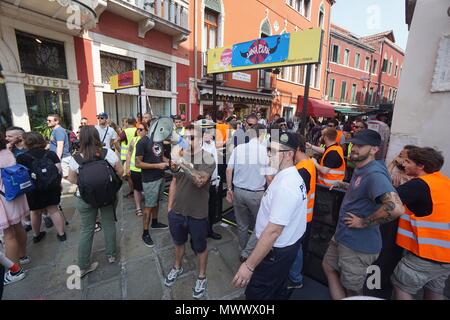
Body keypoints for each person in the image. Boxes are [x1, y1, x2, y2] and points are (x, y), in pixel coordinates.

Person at [322, 129, 404, 300]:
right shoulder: (363, 167)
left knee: (353, 290)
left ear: (374, 149)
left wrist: (364, 222)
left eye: (360, 146)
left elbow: (395, 207)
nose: (354, 149)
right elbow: (364, 191)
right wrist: (344, 185)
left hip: (358, 245)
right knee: (328, 267)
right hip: (343, 237)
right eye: (354, 144)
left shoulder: (374, 173)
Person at [232, 131, 307, 300]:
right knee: (276, 287)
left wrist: (249, 266)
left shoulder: (286, 186)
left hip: (275, 252)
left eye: (272, 151)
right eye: (268, 150)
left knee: (257, 294)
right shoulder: (290, 176)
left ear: (288, 155)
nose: (267, 155)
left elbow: (273, 231)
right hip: (285, 249)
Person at [164, 125, 216, 299]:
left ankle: (202, 276)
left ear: (201, 139)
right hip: (177, 211)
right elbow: (174, 182)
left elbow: (200, 181)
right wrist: (170, 207)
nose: (187, 141)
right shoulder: (180, 155)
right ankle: (177, 266)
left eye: (192, 138)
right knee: (178, 242)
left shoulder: (208, 158)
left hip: (197, 213)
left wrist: (183, 164)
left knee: (200, 247)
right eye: (185, 137)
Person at [392, 147, 450, 300]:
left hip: (424, 255)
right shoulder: (444, 182)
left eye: (408, 161)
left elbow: (388, 198)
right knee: (435, 291)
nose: (403, 164)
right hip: (445, 255)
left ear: (421, 166)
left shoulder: (418, 185)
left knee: (401, 287)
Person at [67, 126, 123, 277]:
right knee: (109, 224)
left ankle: (83, 266)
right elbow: (121, 172)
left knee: (87, 229)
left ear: (81, 139)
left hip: (85, 198)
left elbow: (72, 179)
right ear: (97, 136)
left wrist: (87, 184)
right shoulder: (107, 153)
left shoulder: (76, 158)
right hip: (107, 196)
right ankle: (111, 255)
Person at [226, 124, 269, 262]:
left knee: (242, 224)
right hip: (256, 194)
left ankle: (243, 248)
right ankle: (247, 252)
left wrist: (229, 189)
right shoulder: (265, 152)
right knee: (261, 224)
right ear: (261, 135)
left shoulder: (238, 149)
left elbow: (228, 170)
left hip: (238, 191)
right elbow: (269, 177)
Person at [17, 132, 66, 243]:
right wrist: (58, 184)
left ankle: (36, 235)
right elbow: (59, 171)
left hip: (33, 190)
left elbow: (22, 177)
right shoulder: (51, 154)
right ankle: (61, 234)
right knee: (54, 210)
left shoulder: (22, 158)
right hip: (51, 187)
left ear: (27, 142)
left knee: (35, 212)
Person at [287, 134, 316, 290]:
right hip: (305, 216)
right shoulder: (308, 163)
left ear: (296, 149)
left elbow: (296, 198)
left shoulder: (302, 169)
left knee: (295, 248)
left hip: (301, 218)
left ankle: (295, 278)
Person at [135, 123, 169, 248]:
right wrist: (157, 166)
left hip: (160, 177)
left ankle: (155, 222)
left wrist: (168, 161)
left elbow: (161, 156)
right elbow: (138, 163)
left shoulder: (158, 140)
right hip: (149, 180)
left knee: (157, 201)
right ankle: (145, 233)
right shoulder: (142, 142)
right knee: (149, 206)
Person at [0, 133, 30, 273]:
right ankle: (22, 255)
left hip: (4, 199)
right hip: (14, 195)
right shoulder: (7, 153)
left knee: (8, 234)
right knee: (18, 226)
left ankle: (15, 271)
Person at [199, 120, 222, 240]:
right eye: (205, 133)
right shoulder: (199, 146)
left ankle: (210, 230)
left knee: (212, 208)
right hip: (203, 183)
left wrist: (217, 181)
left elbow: (216, 164)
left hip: (213, 182)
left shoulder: (212, 143)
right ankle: (200, 232)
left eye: (210, 133)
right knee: (202, 209)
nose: (209, 135)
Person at [125, 122, 148, 217]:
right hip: (135, 169)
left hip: (146, 169)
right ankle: (138, 207)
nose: (138, 131)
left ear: (147, 131)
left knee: (147, 188)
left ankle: (148, 205)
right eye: (137, 129)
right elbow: (129, 154)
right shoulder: (134, 140)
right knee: (137, 189)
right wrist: (127, 168)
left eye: (141, 129)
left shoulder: (149, 141)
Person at [47, 114, 71, 178]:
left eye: (49, 120)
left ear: (56, 121)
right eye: (47, 120)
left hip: (63, 158)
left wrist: (57, 160)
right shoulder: (54, 131)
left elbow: (60, 146)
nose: (47, 122)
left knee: (65, 179)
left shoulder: (59, 131)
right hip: (60, 158)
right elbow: (52, 143)